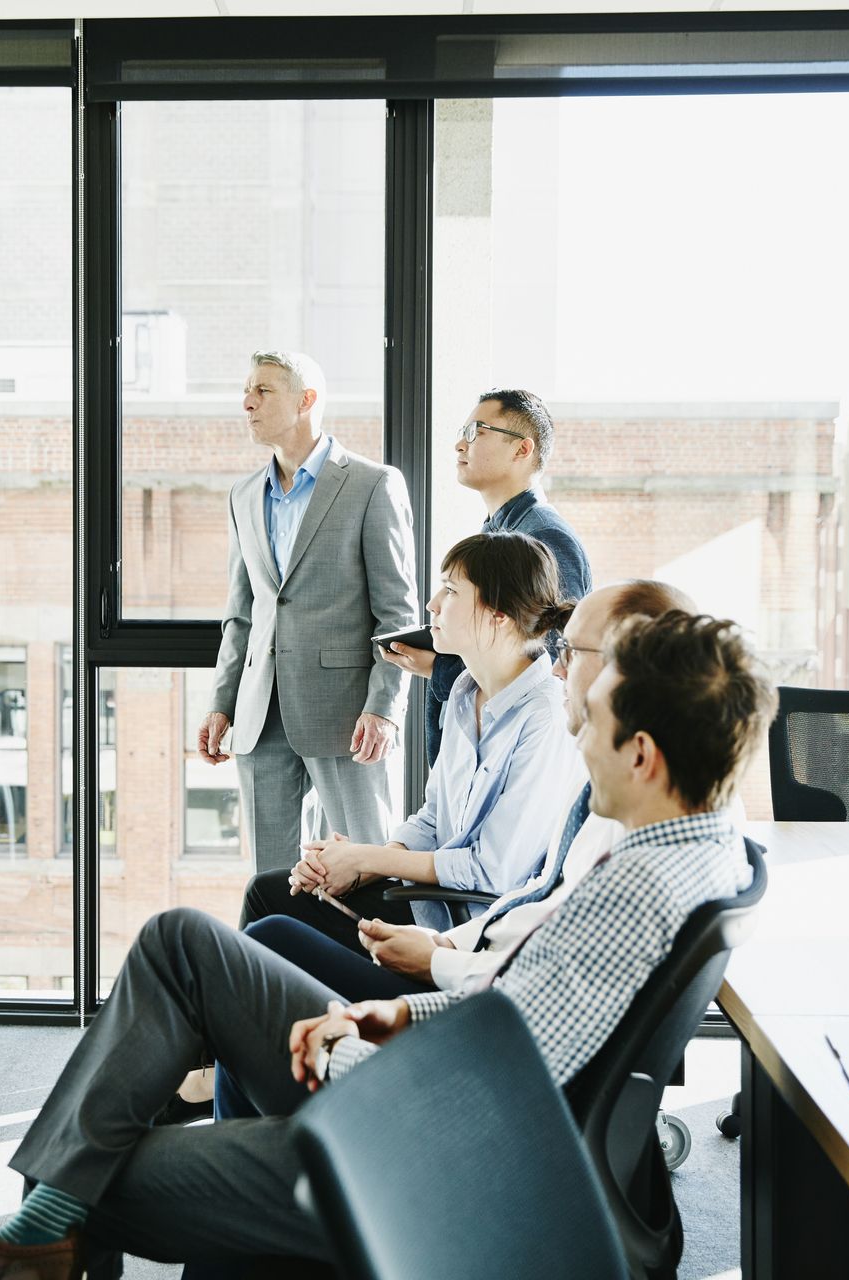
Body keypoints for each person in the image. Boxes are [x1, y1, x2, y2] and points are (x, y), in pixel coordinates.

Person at [0, 610, 774, 1279]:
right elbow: (520, 1024)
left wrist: (364, 1046)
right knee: (182, 943)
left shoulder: (635, 892)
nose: (578, 736)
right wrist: (390, 1012)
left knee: (94, 1171)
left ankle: (37, 1237)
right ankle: (42, 1235)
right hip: (444, 1096)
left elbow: (505, 1076)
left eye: (596, 723)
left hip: (425, 1157)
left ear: (646, 755)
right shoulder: (705, 850)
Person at [240, 579, 696, 1010]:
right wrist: (373, 872)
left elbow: (536, 962)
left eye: (573, 653)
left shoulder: (632, 826)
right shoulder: (469, 699)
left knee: (258, 940)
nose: (558, 667)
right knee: (267, 911)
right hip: (465, 942)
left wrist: (432, 954)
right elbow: (534, 897)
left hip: (466, 978)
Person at [238, 530, 581, 956]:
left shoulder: (545, 718)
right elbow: (433, 820)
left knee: (272, 921)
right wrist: (363, 869)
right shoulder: (463, 691)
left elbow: (493, 872)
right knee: (270, 893)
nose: (433, 603)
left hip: (467, 938)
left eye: (452, 590)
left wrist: (369, 860)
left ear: (498, 615)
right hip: (426, 904)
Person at [196, 351, 419, 875]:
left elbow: (397, 612)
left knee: (363, 866)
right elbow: (242, 613)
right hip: (258, 714)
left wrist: (385, 706)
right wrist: (221, 702)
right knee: (272, 878)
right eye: (245, 392)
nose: (247, 403)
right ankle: (275, 960)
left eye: (263, 391)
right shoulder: (245, 494)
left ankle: (362, 960)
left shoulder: (372, 485)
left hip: (347, 717)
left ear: (306, 400)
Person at [382, 389, 591, 765]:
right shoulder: (499, 530)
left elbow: (549, 658)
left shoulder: (545, 537)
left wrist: (438, 666)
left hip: (511, 755)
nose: (460, 444)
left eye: (477, 431)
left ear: (522, 450)